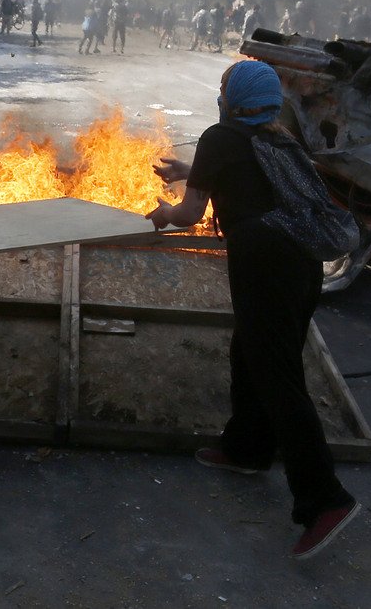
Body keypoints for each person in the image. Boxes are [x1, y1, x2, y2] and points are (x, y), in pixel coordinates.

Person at [145, 60, 359, 560]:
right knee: (252, 351)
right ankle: (247, 448)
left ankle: (325, 500)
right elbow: (246, 180)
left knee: (278, 375)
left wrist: (164, 212)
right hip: (301, 268)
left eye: (223, 89)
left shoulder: (219, 136)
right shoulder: (281, 139)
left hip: (265, 266)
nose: (219, 96)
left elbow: (191, 214)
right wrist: (191, 173)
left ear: (233, 99)